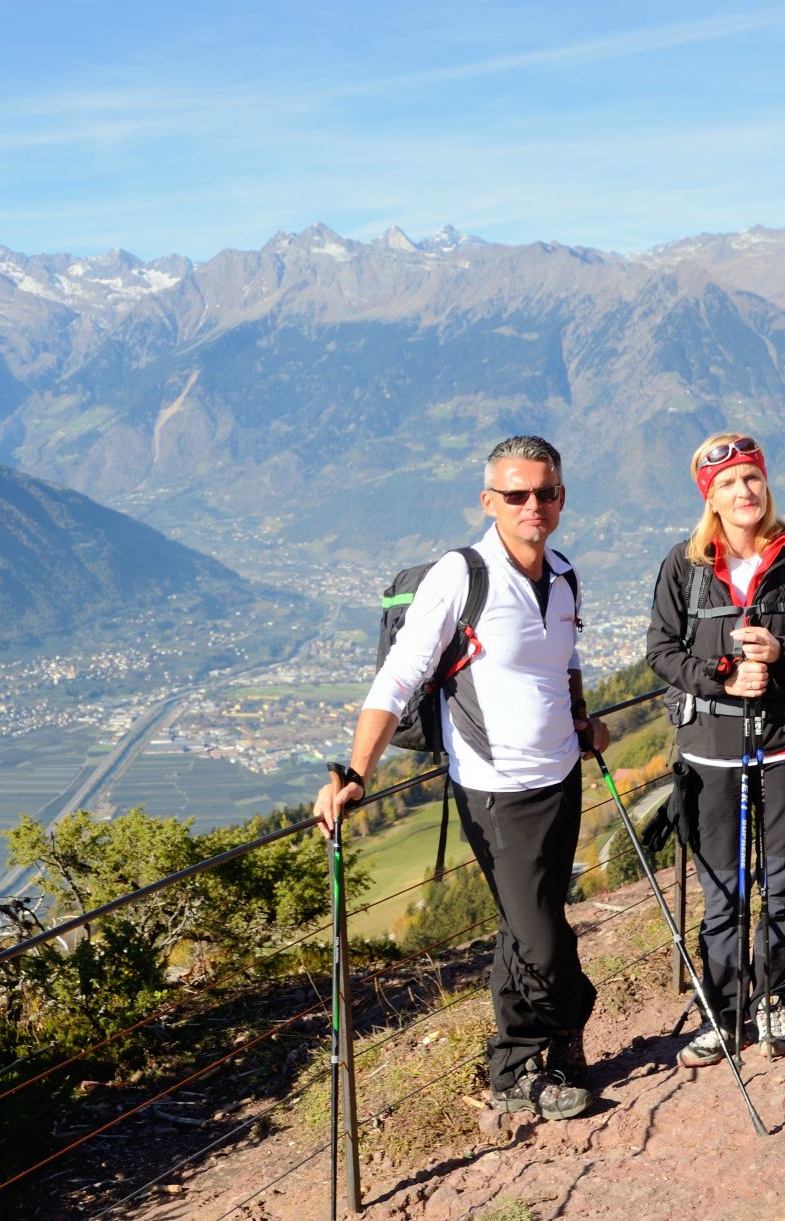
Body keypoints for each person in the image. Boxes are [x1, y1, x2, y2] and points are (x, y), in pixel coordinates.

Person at [315, 435, 609, 1121]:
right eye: (516, 494)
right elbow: (399, 678)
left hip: (561, 776)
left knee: (524, 925)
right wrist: (357, 771)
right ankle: (568, 1021)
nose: (532, 504)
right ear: (490, 501)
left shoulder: (563, 574)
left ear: (561, 498)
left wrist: (582, 717)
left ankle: (517, 1061)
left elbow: (560, 660)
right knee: (540, 938)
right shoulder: (463, 574)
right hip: (493, 787)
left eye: (545, 492)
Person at [645, 433, 785, 1067]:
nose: (744, 491)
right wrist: (721, 676)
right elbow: (661, 650)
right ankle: (725, 1012)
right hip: (712, 751)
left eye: (751, 478)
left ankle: (774, 998)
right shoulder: (685, 564)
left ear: (765, 485)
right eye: (728, 484)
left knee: (784, 882)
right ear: (711, 497)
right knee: (723, 891)